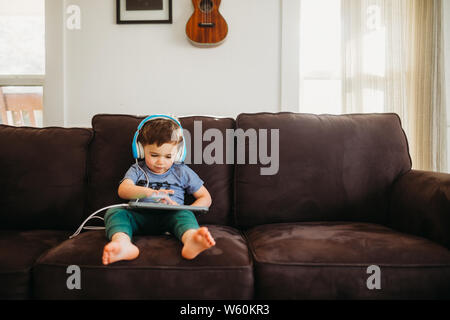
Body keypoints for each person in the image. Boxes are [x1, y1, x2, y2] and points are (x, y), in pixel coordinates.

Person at [102, 118, 215, 265]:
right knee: (114, 212)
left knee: (183, 215)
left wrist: (187, 209)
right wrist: (150, 193)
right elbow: (123, 190)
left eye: (168, 156)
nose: (161, 162)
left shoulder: (182, 172)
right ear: (141, 150)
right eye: (154, 155)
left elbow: (205, 197)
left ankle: (191, 240)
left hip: (170, 216)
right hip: (140, 217)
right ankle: (122, 244)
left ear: (178, 153)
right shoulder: (137, 169)